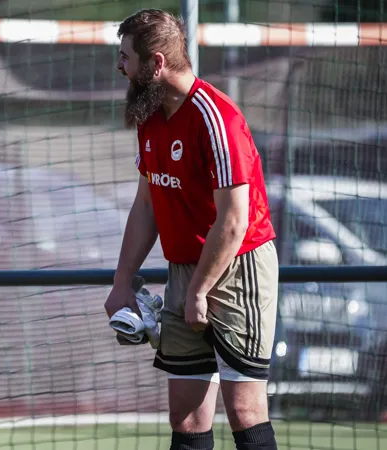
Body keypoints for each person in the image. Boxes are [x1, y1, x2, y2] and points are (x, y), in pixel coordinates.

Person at [104, 9, 279, 450]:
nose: (120, 67)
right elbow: (147, 204)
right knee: (185, 417)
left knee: (244, 411)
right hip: (185, 269)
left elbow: (234, 221)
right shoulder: (150, 116)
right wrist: (122, 281)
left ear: (157, 63)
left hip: (237, 266)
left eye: (126, 57)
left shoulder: (216, 117)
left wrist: (200, 290)